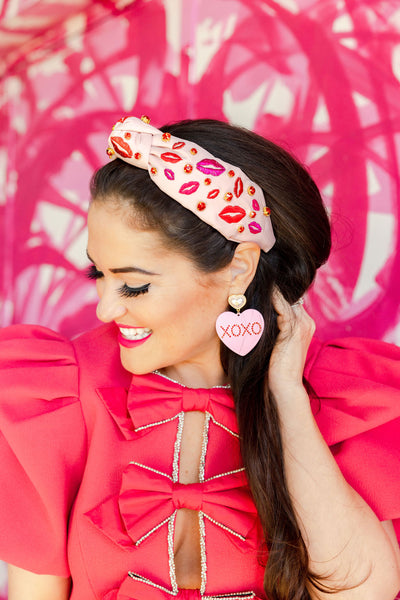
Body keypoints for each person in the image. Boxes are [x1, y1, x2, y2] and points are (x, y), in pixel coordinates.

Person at [0, 116, 400, 600]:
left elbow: (362, 593)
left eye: (135, 284)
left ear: (238, 270)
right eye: (97, 274)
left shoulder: (340, 395)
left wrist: (287, 397)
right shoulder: (59, 394)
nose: (106, 308)